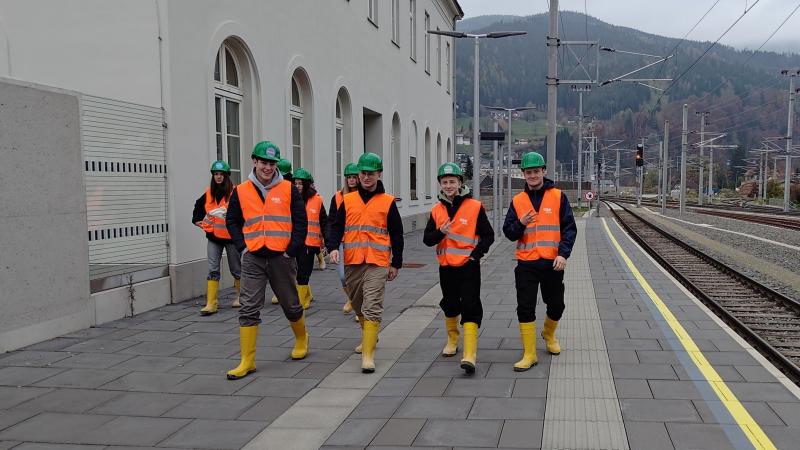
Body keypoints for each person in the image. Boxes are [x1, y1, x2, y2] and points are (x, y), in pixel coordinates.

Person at [225, 141, 309, 380]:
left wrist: (292, 250)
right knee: (249, 306)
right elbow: (232, 220)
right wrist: (242, 247)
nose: (268, 168)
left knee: (291, 304)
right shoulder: (241, 191)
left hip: (281, 257)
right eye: (264, 162)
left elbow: (301, 221)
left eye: (272, 163)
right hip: (253, 256)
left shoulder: (288, 189)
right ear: (254, 161)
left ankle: (301, 339)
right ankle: (247, 361)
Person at [328, 152, 403, 373]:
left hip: (378, 262)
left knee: (372, 304)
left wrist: (396, 262)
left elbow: (397, 234)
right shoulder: (348, 200)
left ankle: (368, 355)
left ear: (379, 174)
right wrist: (332, 247)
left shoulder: (387, 202)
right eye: (363, 173)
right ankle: (370, 335)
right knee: (357, 302)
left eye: (371, 173)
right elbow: (337, 226)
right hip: (353, 260)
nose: (366, 177)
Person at [502, 151, 577, 372]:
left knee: (556, 305)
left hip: (553, 263)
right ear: (523, 174)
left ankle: (548, 333)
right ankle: (530, 353)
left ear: (544, 171)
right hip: (526, 263)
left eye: (536, 171)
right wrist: (521, 223)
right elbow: (508, 233)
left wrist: (563, 254)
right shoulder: (518, 201)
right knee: (525, 307)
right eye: (528, 172)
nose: (533, 175)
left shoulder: (558, 196)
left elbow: (569, 229)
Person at [423, 162, 494, 375]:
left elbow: (488, 235)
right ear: (440, 185)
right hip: (446, 267)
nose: (448, 186)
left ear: (460, 182)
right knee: (451, 304)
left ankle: (470, 354)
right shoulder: (436, 210)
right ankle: (452, 339)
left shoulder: (474, 206)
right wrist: (440, 233)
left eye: (452, 181)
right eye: (444, 182)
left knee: (471, 305)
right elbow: (427, 240)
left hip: (469, 267)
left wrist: (475, 255)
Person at [192, 160, 242, 316]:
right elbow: (198, 207)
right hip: (213, 237)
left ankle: (242, 297)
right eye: (216, 174)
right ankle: (211, 303)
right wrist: (197, 220)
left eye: (221, 174)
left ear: (227, 176)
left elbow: (243, 213)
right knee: (213, 269)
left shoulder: (235, 193)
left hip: (231, 238)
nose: (218, 177)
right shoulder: (208, 193)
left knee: (236, 269)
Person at [291, 168, 327, 309]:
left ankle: (301, 302)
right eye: (295, 183)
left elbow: (324, 221)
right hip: (294, 242)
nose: (298, 186)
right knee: (297, 271)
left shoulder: (317, 200)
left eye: (300, 183)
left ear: (306, 184)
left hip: (309, 244)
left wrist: (328, 242)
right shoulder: (290, 199)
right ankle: (307, 295)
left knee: (303, 273)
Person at [328, 162, 360, 314]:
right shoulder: (338, 197)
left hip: (358, 241)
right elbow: (332, 220)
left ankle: (360, 306)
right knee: (342, 276)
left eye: (354, 177)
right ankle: (352, 299)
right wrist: (330, 243)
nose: (352, 180)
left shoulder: (363, 196)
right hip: (341, 241)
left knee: (359, 275)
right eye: (349, 177)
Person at [270, 158, 294, 305]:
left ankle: (300, 291)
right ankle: (276, 291)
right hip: (275, 235)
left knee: (291, 268)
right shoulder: (270, 188)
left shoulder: (290, 189)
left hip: (289, 236)